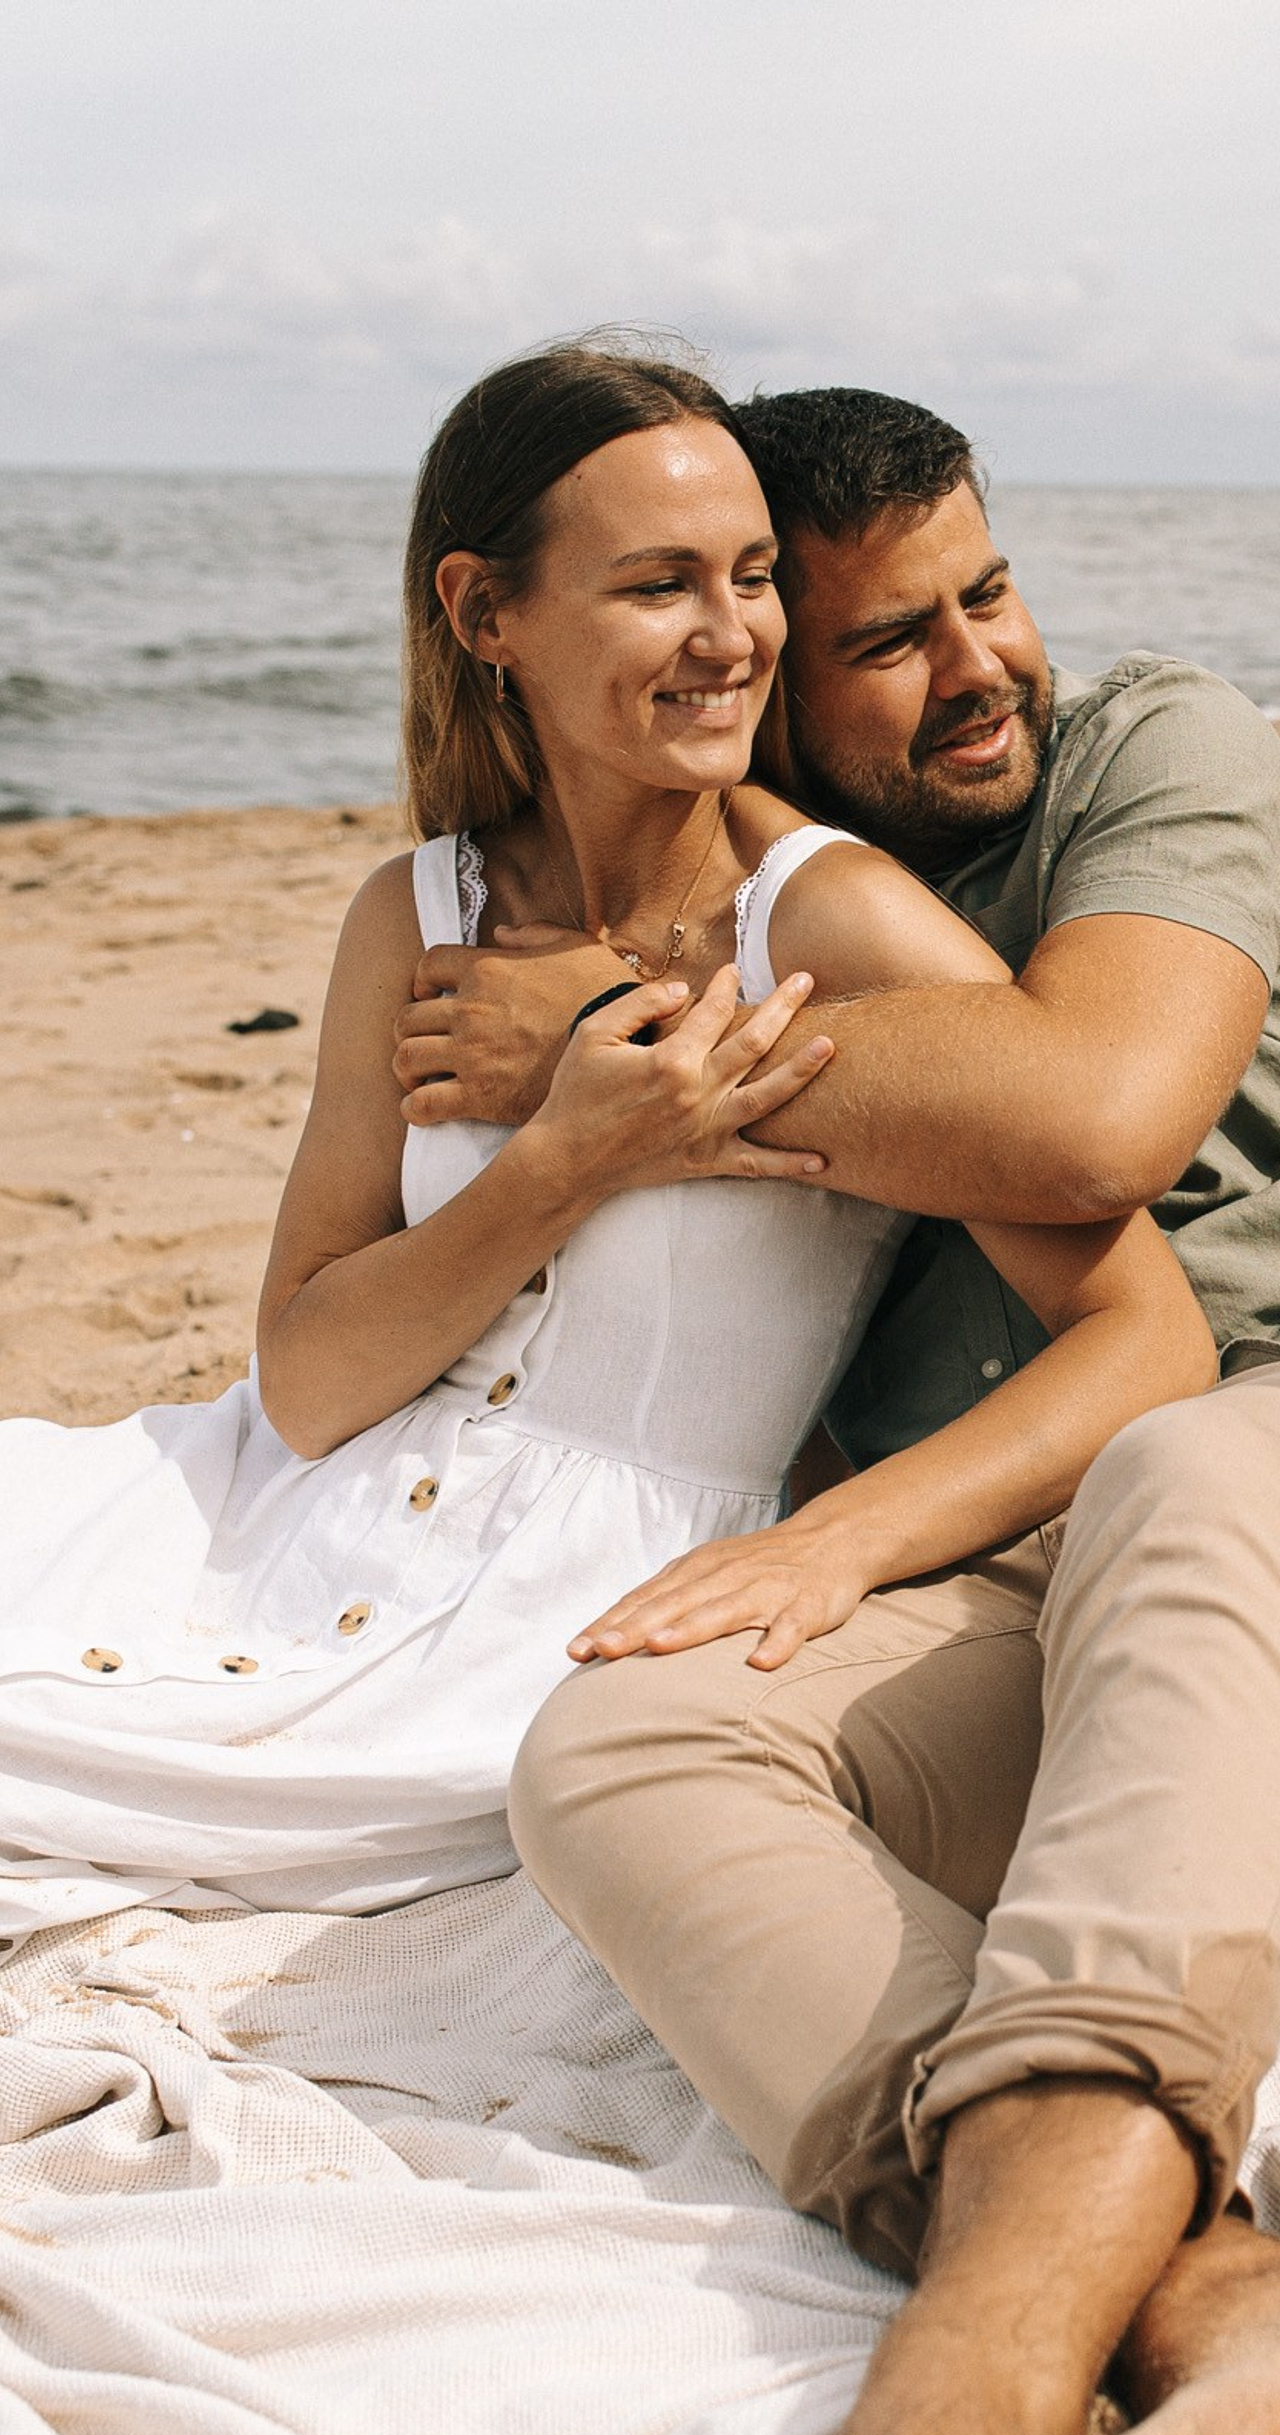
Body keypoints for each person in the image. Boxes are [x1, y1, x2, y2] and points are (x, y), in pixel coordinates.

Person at [398, 390, 1280, 2435]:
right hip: (1015, 1565)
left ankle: (958, 2406)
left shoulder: (1152, 747)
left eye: (989, 595)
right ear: (777, 704)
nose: (977, 668)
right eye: (890, 645)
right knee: (616, 1750)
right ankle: (1251, 2312)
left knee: (1190, 1471)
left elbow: (1095, 1113)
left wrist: (626, 1053)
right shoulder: (764, 904)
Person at [0, 341, 1210, 1941]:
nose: (734, 639)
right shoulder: (417, 913)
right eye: (660, 586)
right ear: (485, 614)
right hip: (264, 1515)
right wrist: (571, 1157)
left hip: (555, 1620)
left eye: (758, 578)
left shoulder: (837, 922)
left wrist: (838, 1543)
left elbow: (1146, 1337)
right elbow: (303, 1384)